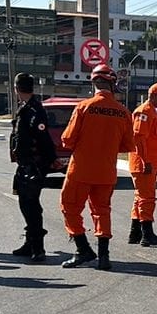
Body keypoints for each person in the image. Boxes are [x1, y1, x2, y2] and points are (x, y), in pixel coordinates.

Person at [59, 64, 135, 270]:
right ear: (113, 85)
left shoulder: (84, 107)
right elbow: (128, 145)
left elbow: (67, 139)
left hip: (81, 170)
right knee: (102, 211)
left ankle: (82, 248)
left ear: (93, 83)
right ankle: (103, 256)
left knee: (70, 207)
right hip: (106, 172)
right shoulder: (123, 112)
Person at [9, 72, 56, 261]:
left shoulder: (35, 110)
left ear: (16, 89)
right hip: (25, 163)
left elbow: (43, 139)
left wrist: (48, 161)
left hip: (34, 164)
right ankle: (30, 243)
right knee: (25, 203)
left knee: (31, 205)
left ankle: (38, 247)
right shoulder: (25, 108)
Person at [128, 82, 157, 247]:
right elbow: (138, 138)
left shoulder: (152, 112)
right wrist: (146, 162)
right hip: (143, 164)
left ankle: (135, 232)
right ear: (153, 96)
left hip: (148, 164)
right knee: (147, 199)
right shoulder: (144, 112)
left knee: (140, 198)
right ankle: (147, 234)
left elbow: (153, 142)